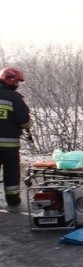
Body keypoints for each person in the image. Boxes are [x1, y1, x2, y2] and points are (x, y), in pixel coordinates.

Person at [0, 67, 32, 207]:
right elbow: (24, 121)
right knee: (11, 172)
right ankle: (13, 200)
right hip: (9, 146)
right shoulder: (14, 98)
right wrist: (29, 124)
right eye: (17, 82)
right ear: (10, 80)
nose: (17, 85)